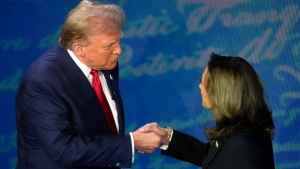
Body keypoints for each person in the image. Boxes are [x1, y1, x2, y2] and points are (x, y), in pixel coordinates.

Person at [15, 0, 167, 168]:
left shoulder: (105, 61)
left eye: (118, 41)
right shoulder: (41, 82)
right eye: (109, 45)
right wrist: (131, 142)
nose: (119, 50)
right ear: (80, 49)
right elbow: (65, 150)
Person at [141, 53, 275, 169]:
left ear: (221, 92)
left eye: (203, 82)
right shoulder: (238, 131)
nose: (200, 86)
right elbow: (216, 159)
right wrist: (167, 137)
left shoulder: (245, 146)